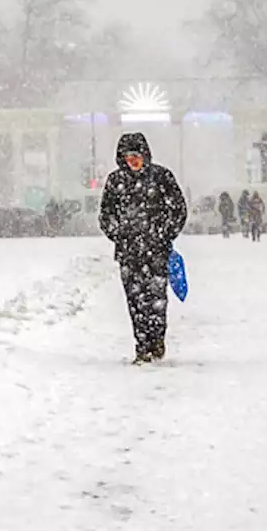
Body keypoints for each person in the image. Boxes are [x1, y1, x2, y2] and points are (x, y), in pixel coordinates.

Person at [99, 132, 188, 364]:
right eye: (128, 157)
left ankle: (156, 340)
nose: (133, 161)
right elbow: (106, 215)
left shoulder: (161, 178)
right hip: (129, 254)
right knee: (135, 302)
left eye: (137, 156)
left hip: (157, 252)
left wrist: (164, 234)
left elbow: (178, 209)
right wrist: (119, 235)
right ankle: (142, 346)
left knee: (156, 299)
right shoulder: (115, 181)